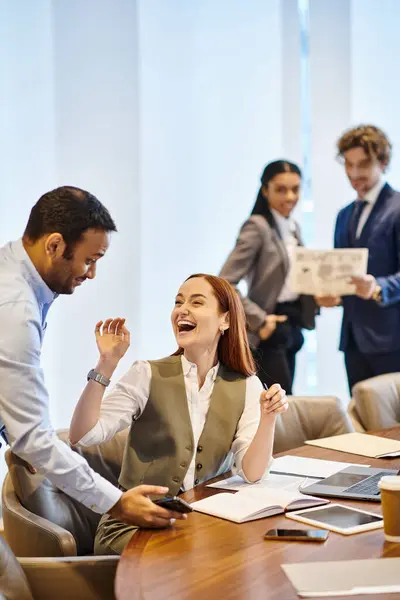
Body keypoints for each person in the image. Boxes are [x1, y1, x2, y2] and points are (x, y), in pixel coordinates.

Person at [0, 186, 184, 530]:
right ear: (54, 245)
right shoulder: (14, 309)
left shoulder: (18, 276)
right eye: (90, 260)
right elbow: (33, 436)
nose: (92, 273)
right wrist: (116, 502)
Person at [69, 273, 288, 555]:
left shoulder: (246, 385)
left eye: (197, 302)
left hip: (201, 525)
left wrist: (268, 418)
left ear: (226, 320)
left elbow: (252, 473)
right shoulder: (146, 374)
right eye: (178, 302)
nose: (182, 309)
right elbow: (83, 434)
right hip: (134, 527)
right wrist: (106, 364)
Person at [219, 160, 317, 394]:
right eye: (281, 189)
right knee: (279, 405)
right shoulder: (257, 227)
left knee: (288, 402)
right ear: (265, 190)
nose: (290, 196)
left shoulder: (292, 227)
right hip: (268, 332)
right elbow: (225, 282)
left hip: (292, 324)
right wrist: (260, 320)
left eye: (295, 189)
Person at [316, 125, 400, 392]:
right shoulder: (344, 215)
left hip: (392, 338)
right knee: (363, 425)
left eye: (363, 165)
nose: (354, 174)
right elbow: (344, 274)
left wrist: (377, 288)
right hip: (353, 339)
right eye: (348, 165)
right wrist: (334, 295)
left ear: (383, 162)